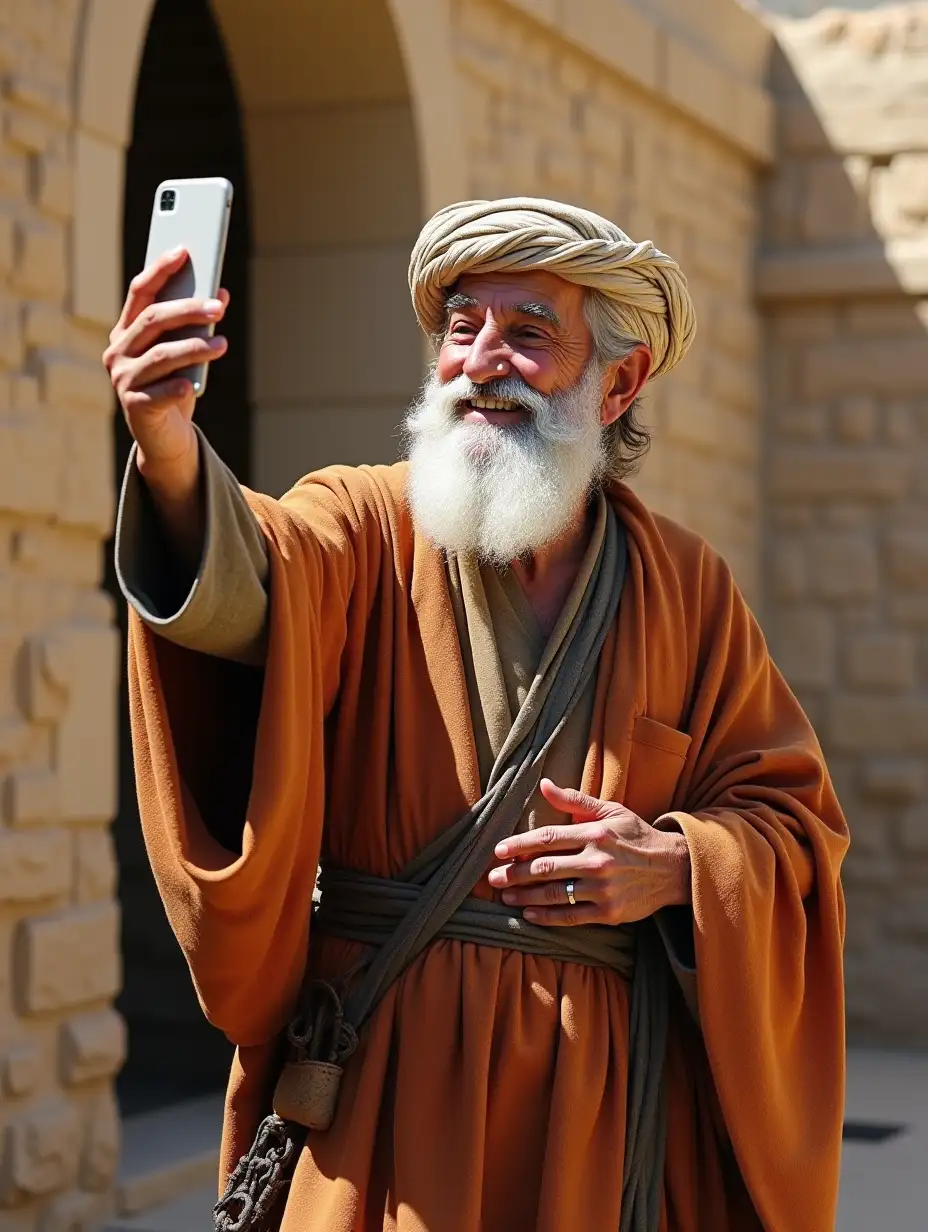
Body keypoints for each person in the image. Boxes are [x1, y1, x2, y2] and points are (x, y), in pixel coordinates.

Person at [105, 198, 848, 1232]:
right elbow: (251, 574)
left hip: (600, 1134)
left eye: (528, 333)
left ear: (618, 381)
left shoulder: (689, 586)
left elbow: (795, 823)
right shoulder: (362, 523)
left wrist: (676, 862)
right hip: (385, 1108)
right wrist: (167, 448)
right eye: (462, 326)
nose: (480, 359)